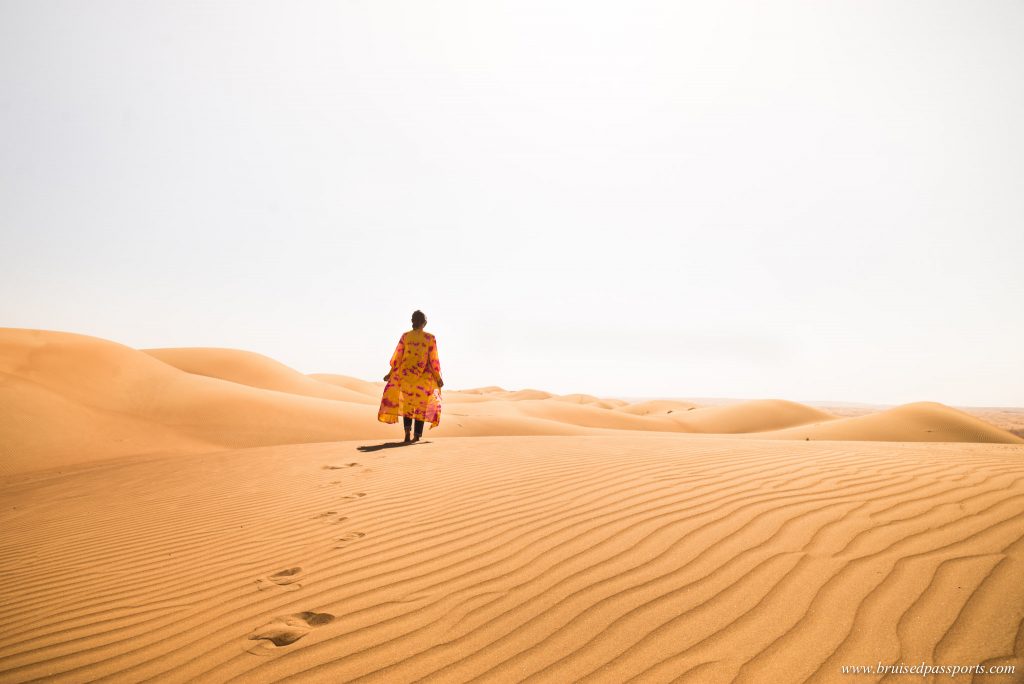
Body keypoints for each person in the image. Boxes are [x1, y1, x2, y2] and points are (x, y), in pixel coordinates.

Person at [377, 310, 444, 442]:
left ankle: (407, 432)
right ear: (424, 323)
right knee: (421, 406)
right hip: (423, 379)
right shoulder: (430, 338)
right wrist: (438, 377)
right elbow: (433, 361)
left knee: (408, 404)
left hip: (406, 376)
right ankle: (417, 436)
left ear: (412, 321)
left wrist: (390, 374)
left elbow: (398, 357)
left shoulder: (405, 337)